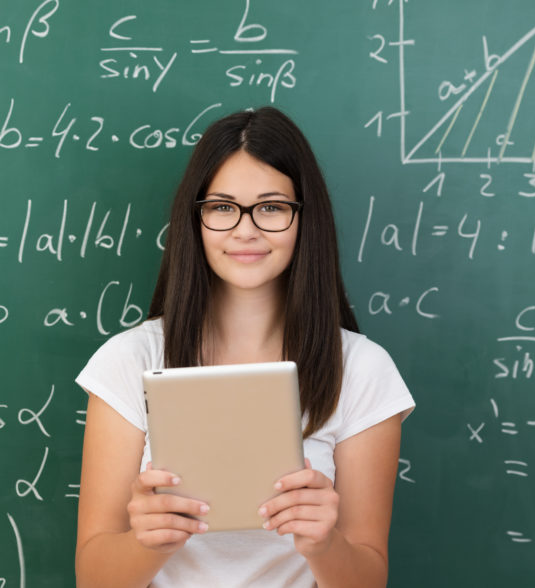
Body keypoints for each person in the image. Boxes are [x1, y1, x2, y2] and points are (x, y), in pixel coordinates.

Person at [75, 106, 415, 587]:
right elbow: (92, 578)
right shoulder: (130, 361)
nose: (245, 229)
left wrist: (325, 544)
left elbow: (368, 578)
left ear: (304, 219)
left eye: (272, 207)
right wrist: (148, 542)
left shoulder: (361, 369)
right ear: (196, 219)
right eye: (222, 207)